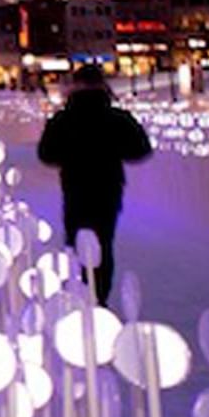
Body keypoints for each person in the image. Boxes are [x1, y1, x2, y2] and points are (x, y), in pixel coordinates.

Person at [36, 64, 152, 306]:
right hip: (107, 188)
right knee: (103, 242)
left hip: (75, 186)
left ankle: (78, 294)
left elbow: (46, 154)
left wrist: (69, 155)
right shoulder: (117, 119)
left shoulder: (63, 119)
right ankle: (99, 297)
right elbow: (141, 149)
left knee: (75, 240)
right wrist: (113, 150)